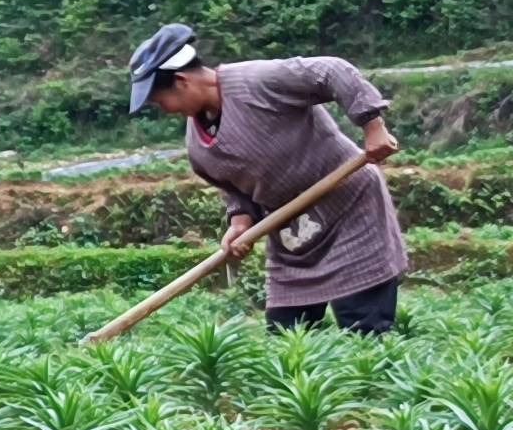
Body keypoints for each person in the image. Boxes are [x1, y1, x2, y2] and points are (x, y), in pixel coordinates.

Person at [125, 20, 406, 332]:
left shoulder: (257, 81)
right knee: (286, 335)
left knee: (364, 329)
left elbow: (332, 70)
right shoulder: (198, 145)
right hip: (292, 237)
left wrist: (372, 124)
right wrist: (240, 221)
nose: (165, 110)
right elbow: (232, 184)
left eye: (161, 102)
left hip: (349, 212)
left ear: (181, 81)